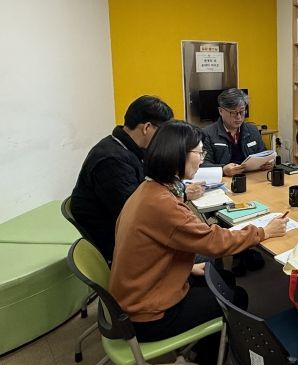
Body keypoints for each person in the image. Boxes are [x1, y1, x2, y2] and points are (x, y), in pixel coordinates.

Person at [109, 120, 287, 365]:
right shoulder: (164, 205)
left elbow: (151, 249)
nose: (202, 159)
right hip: (148, 315)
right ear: (178, 155)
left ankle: (203, 353)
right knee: (235, 298)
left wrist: (188, 267)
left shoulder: (148, 190)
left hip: (133, 297)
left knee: (223, 279)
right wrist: (264, 232)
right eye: (199, 153)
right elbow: (214, 241)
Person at [71, 95, 205, 261]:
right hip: (118, 244)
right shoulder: (112, 160)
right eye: (162, 132)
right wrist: (181, 195)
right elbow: (136, 213)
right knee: (202, 252)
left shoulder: (128, 148)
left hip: (130, 233)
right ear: (147, 128)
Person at [202, 88, 273, 176]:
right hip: (224, 180)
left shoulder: (252, 130)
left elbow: (263, 154)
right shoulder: (207, 134)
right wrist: (223, 170)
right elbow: (203, 165)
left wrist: (268, 163)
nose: (239, 117)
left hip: (252, 178)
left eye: (242, 112)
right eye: (233, 113)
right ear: (221, 111)